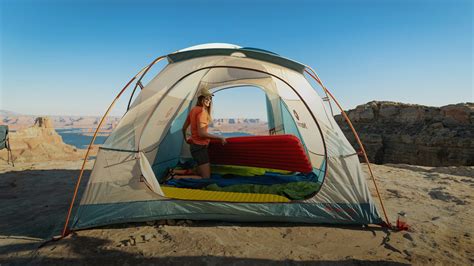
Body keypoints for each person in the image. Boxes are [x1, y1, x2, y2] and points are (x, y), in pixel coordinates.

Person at [165, 88, 226, 180]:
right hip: (200, 148)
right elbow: (202, 133)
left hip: (195, 146)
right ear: (200, 99)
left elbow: (184, 128)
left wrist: (187, 140)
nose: (209, 100)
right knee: (206, 177)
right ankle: (174, 177)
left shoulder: (194, 110)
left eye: (210, 98)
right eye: (206, 98)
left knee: (199, 171)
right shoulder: (202, 112)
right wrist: (219, 137)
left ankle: (173, 171)